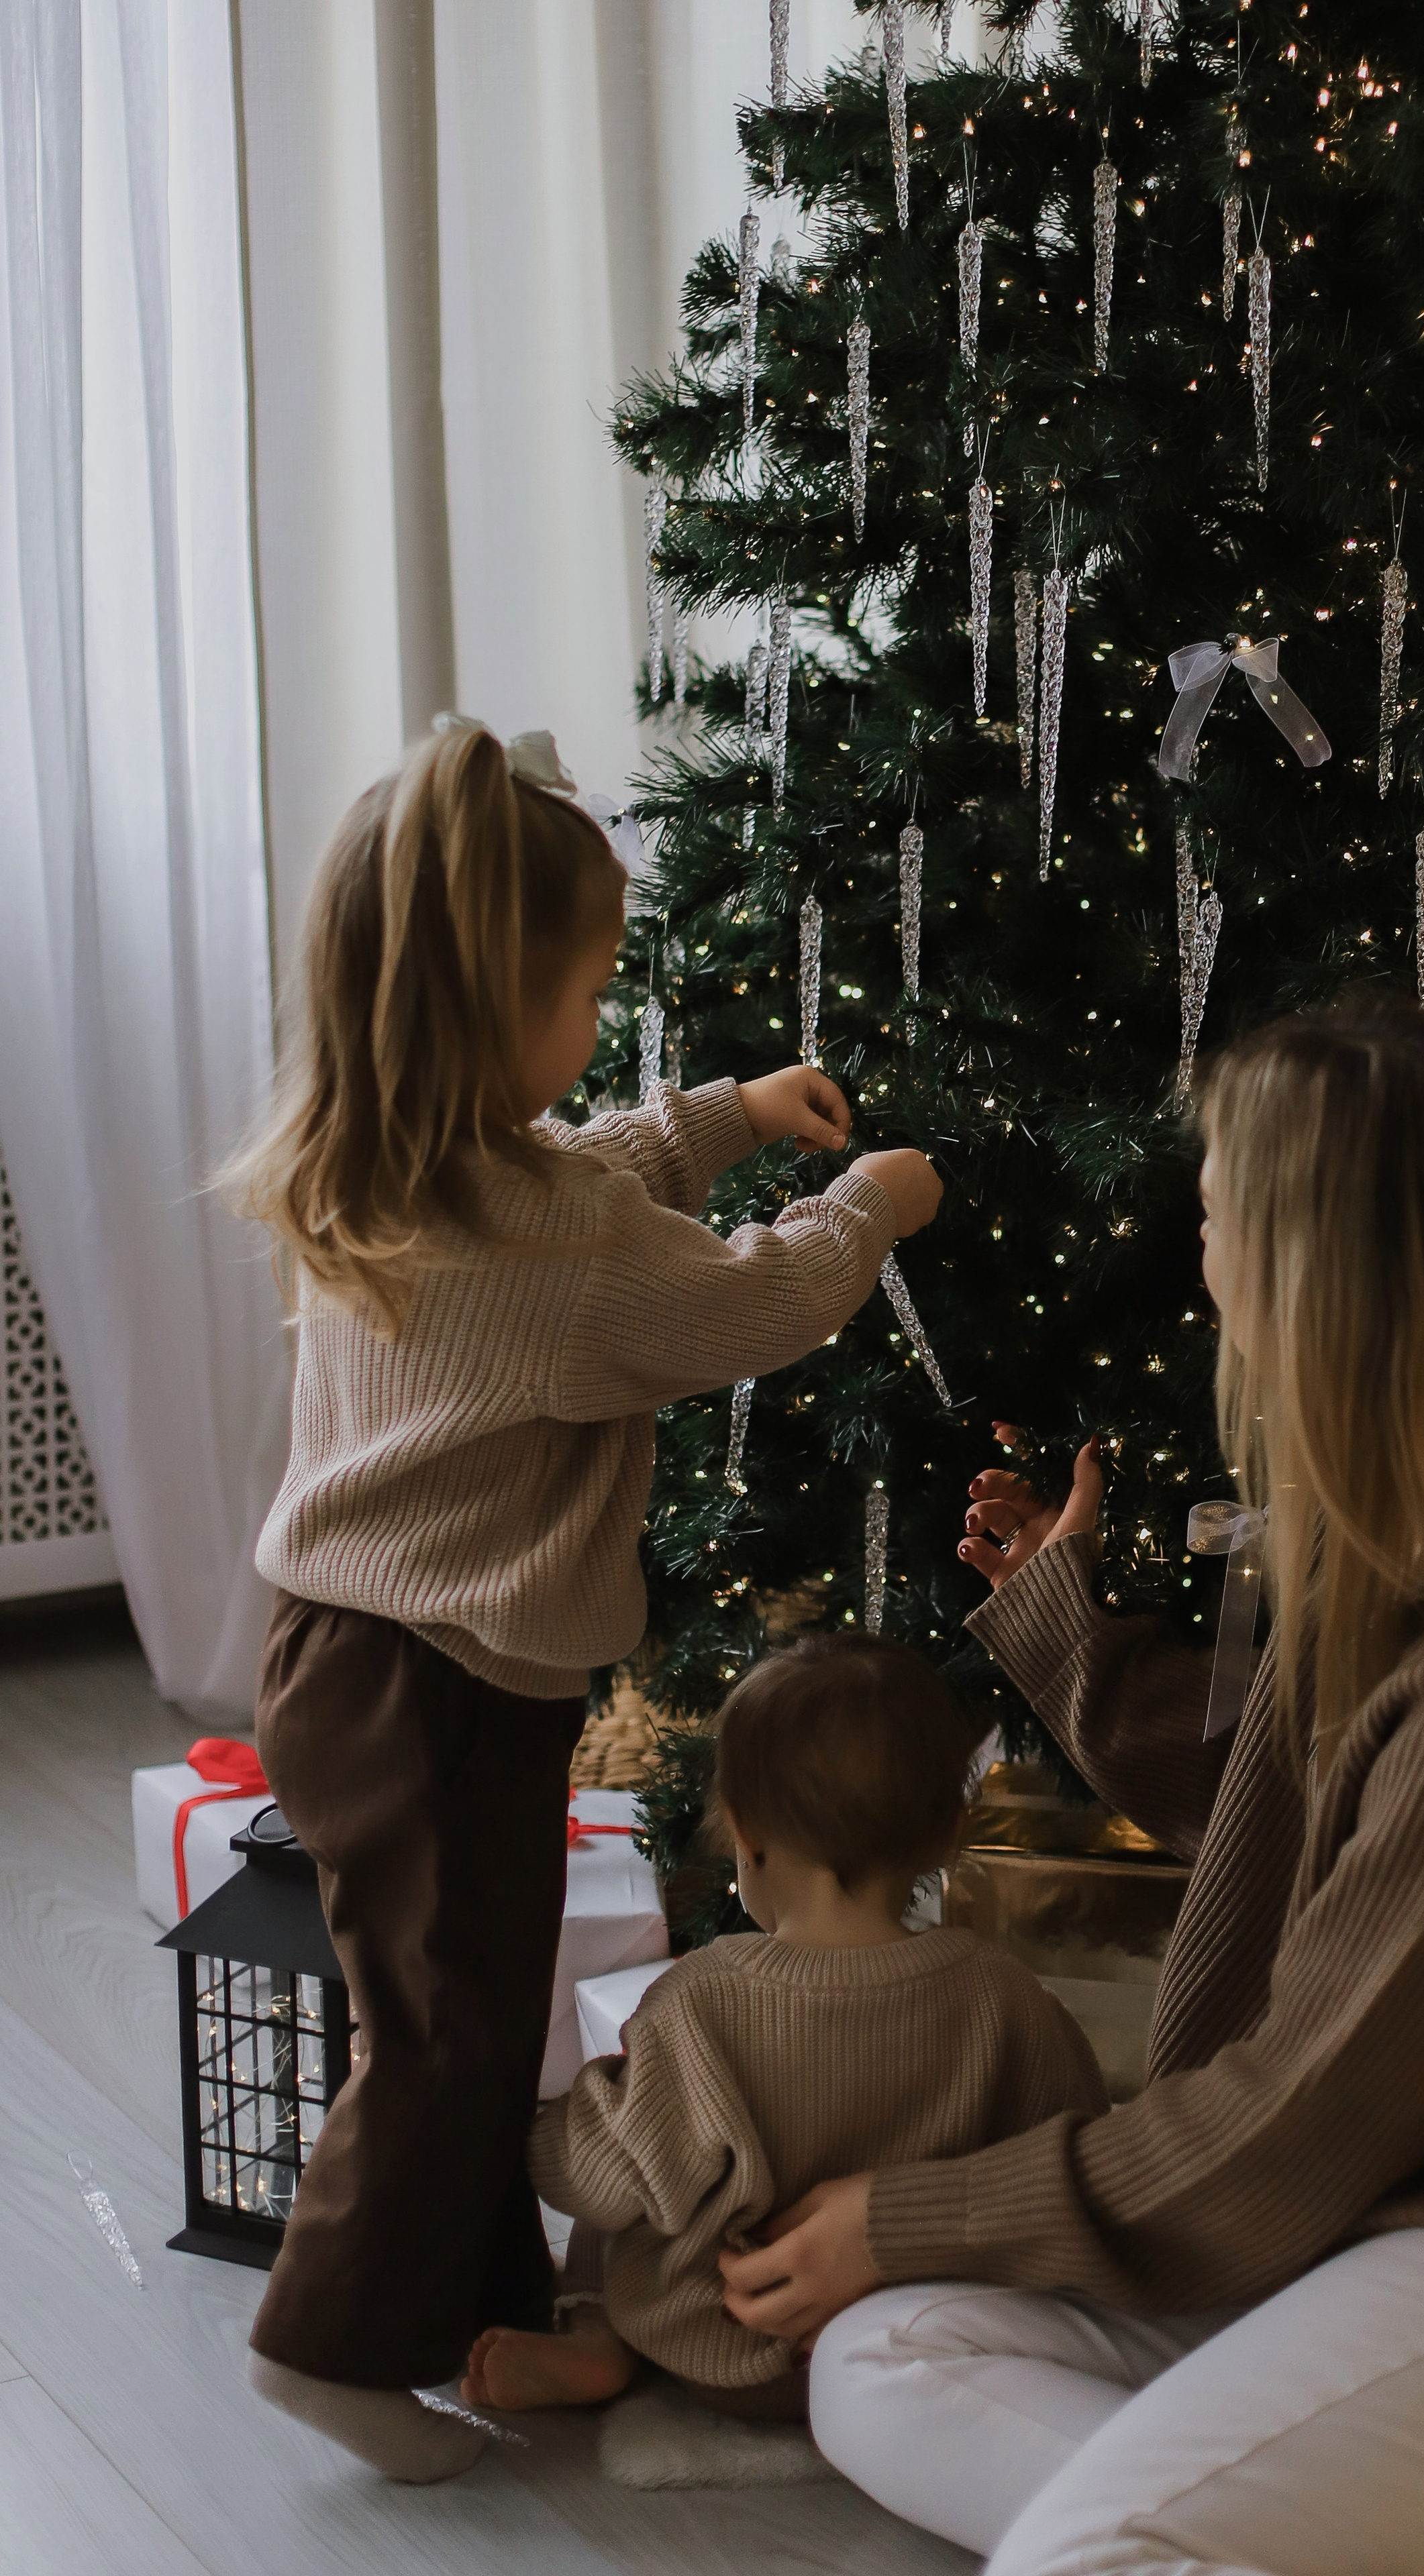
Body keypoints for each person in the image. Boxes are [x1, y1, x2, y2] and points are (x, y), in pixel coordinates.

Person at [721, 998, 1424, 2576]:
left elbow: (1298, 2115)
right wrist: (1068, 1644)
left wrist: (899, 2212)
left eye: (1211, 1222)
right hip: (1396, 2197)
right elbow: (1329, 1816)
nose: (1200, 1267)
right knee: (882, 2357)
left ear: (1306, 1266)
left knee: (1080, 2548)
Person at [225, 718, 942, 2482]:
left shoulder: (394, 1155)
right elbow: (732, 1305)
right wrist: (863, 1207)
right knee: (450, 2032)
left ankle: (467, 2321)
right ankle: (330, 2345)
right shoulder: (544, 1255)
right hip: (435, 1681)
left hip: (361, 1653)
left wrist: (719, 1118)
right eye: (589, 987)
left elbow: (590, 1179)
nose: (599, 1016)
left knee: (460, 2008)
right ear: (495, 1012)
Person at [460, 1633, 1107, 2425]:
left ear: (744, 1832)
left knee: (624, 2197)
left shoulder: (700, 1999)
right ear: (947, 1832)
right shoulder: (1004, 1995)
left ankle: (602, 2336)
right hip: (918, 2337)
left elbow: (600, 2175)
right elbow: (1070, 2144)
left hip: (720, 2343)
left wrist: (549, 2125)